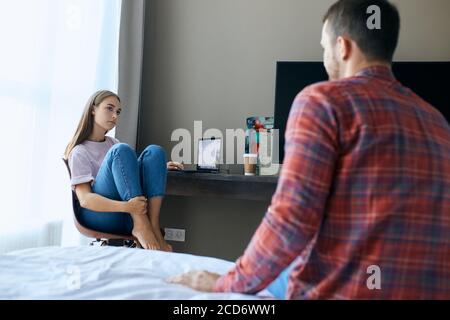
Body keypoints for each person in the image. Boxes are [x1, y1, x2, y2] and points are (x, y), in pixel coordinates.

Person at [169, 0, 450, 299]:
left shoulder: (323, 101)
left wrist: (227, 283)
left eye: (324, 48)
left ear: (342, 47)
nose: (325, 58)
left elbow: (292, 216)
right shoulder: (438, 122)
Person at [64, 90, 184, 251]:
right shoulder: (80, 151)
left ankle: (153, 226)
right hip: (98, 214)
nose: (115, 116)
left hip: (128, 211)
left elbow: (128, 174)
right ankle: (141, 224)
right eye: (109, 108)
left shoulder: (113, 143)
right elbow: (85, 200)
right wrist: (127, 207)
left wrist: (160, 166)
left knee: (155, 152)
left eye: (118, 112)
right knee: (121, 150)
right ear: (93, 109)